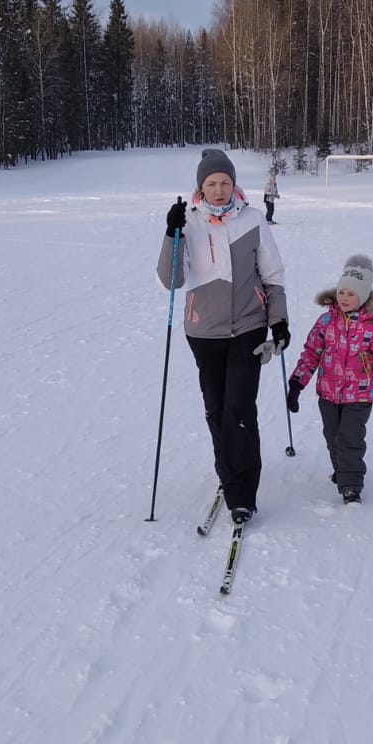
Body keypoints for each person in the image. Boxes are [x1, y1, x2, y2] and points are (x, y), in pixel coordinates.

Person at [159, 148, 290, 524]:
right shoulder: (188, 221)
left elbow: (273, 275)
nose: (219, 190)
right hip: (203, 331)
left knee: (240, 409)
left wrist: (278, 320)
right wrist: (172, 233)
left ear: (235, 185)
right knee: (216, 409)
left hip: (248, 326)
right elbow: (171, 280)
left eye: (226, 183)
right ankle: (227, 470)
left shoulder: (253, 219)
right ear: (200, 186)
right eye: (212, 183)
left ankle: (242, 492)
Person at [285, 252, 373, 504]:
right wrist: (297, 383)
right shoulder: (326, 321)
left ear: (362, 297)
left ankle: (351, 485)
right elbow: (311, 353)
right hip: (328, 393)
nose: (344, 298)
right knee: (332, 436)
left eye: (351, 294)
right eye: (342, 292)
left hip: (359, 395)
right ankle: (342, 470)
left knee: (350, 438)